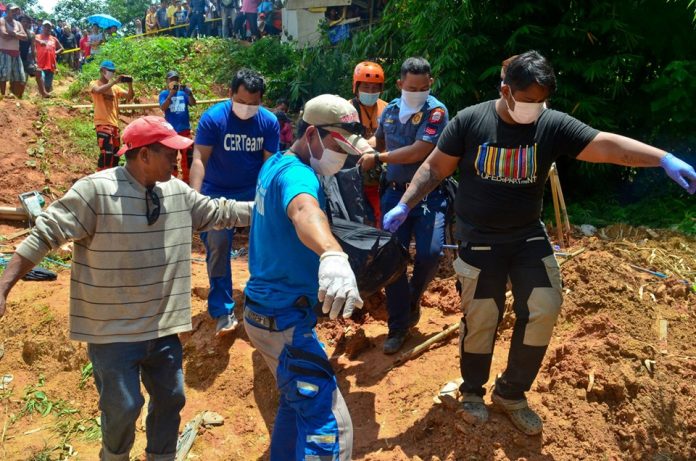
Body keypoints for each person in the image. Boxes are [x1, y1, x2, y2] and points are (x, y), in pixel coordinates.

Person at [382, 50, 696, 436]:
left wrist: (663, 158)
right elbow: (434, 167)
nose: (534, 107)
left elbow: (607, 147)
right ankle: (472, 392)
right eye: (526, 99)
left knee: (545, 307)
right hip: (479, 238)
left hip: (527, 236)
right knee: (481, 317)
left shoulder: (550, 124)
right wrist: (405, 203)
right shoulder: (469, 122)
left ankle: (511, 393)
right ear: (505, 90)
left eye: (540, 100)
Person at [0, 115, 255, 461]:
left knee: (171, 397)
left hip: (162, 327)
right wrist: (4, 286)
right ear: (144, 155)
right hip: (113, 330)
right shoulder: (96, 191)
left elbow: (219, 212)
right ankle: (114, 456)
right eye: (168, 153)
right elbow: (45, 235)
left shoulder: (177, 192)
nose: (176, 160)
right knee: (123, 405)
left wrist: (268, 208)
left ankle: (160, 456)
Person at [245, 94, 369, 461]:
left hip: (263, 311)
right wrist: (332, 253)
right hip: (283, 318)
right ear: (311, 134)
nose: (343, 157)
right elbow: (304, 211)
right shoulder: (299, 175)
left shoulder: (277, 163)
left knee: (296, 402)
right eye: (337, 146)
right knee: (329, 425)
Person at [357, 56, 449, 354]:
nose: (418, 91)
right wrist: (355, 146)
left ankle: (412, 297)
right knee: (392, 260)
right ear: (400, 85)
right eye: (412, 87)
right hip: (394, 194)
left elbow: (419, 152)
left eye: (423, 87)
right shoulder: (391, 112)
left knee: (431, 253)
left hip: (428, 195)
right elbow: (379, 143)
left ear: (430, 84)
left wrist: (379, 158)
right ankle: (398, 327)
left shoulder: (436, 112)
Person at [189, 68, 279, 336]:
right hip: (217, 192)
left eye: (254, 104)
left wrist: (271, 203)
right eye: (241, 102)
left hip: (253, 193)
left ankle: (262, 302)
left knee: (267, 244)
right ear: (230, 94)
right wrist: (195, 198)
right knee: (217, 243)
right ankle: (222, 309)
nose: (247, 109)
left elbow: (270, 165)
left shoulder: (268, 122)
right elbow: (199, 159)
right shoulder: (213, 119)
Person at [349, 61, 388, 226]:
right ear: (356, 87)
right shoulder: (347, 109)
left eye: (375, 88)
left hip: (381, 173)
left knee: (381, 213)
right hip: (354, 173)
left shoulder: (387, 108)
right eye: (366, 87)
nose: (371, 92)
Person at [90, 60, 134, 170]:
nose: (112, 73)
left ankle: (112, 177)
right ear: (102, 70)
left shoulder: (115, 89)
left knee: (115, 155)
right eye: (110, 71)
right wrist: (114, 82)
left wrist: (130, 84)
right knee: (106, 153)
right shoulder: (94, 83)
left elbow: (129, 96)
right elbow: (98, 91)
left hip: (114, 125)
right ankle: (101, 175)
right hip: (102, 123)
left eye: (113, 71)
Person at [159, 70, 197, 183]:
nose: (173, 81)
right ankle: (172, 182)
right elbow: (163, 107)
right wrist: (171, 94)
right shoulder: (164, 94)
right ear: (167, 81)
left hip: (185, 131)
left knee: (188, 158)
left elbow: (193, 103)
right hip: (171, 133)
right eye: (171, 79)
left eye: (175, 79)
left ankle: (188, 182)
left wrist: (189, 93)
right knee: (171, 159)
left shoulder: (183, 93)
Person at [0, 3, 27, 98]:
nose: (15, 12)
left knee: (19, 76)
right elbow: (3, 34)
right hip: (4, 52)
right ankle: (2, 95)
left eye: (16, 10)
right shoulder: (2, 21)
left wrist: (12, 33)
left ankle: (16, 96)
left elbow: (25, 37)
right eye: (12, 10)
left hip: (16, 53)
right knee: (3, 75)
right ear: (7, 11)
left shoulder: (18, 23)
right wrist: (16, 34)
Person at [18, 15, 46, 98]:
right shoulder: (16, 32)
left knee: (38, 71)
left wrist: (36, 61)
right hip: (15, 58)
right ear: (19, 22)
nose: (25, 23)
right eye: (23, 21)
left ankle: (43, 93)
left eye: (27, 22)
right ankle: (19, 96)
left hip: (26, 59)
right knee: (22, 78)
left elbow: (33, 49)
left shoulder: (31, 34)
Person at [35, 21, 63, 94]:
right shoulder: (37, 37)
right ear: (42, 27)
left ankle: (46, 95)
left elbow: (61, 48)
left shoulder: (53, 39)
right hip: (40, 63)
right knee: (41, 81)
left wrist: (55, 52)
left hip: (51, 64)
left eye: (49, 27)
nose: (47, 28)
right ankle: (40, 95)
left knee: (48, 85)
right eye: (45, 27)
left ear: (51, 29)